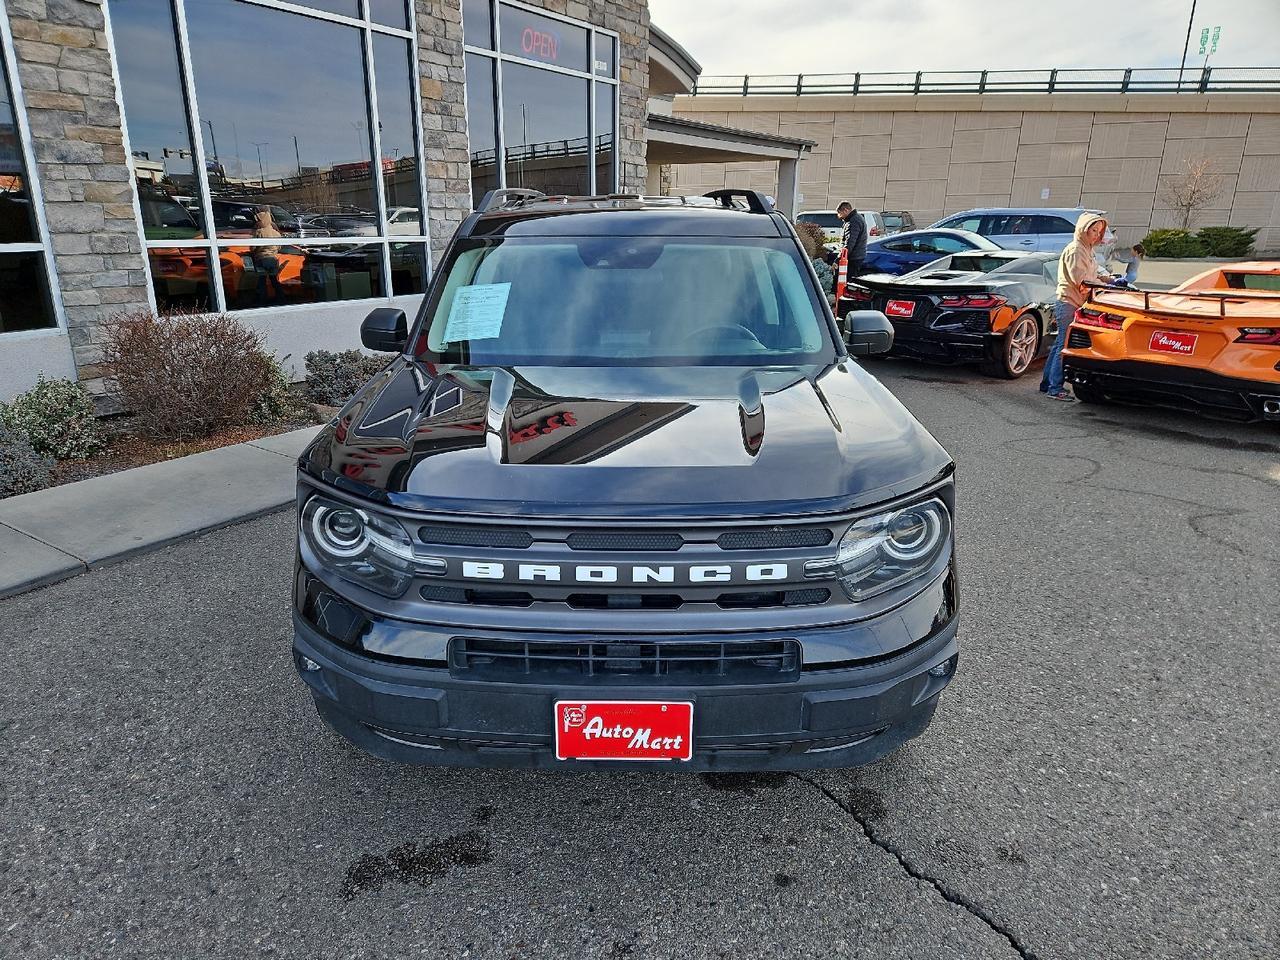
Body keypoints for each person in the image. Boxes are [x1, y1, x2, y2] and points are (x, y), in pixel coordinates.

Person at [1040, 211, 1113, 402]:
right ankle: (1055, 388)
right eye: (1093, 230)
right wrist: (1105, 285)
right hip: (1069, 303)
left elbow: (1092, 275)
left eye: (1099, 231)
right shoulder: (1076, 250)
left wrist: (1108, 279)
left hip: (1073, 302)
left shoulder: (1087, 249)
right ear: (1083, 230)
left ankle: (1047, 384)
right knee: (1064, 346)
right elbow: (1082, 280)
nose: (1097, 234)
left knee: (1058, 345)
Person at [252, 209, 284, 305]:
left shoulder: (258, 232)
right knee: (274, 280)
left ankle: (262, 301)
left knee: (261, 282)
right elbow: (280, 246)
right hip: (273, 259)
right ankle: (281, 298)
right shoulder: (276, 233)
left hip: (261, 259)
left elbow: (253, 247)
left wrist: (255, 252)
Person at [836, 201, 867, 277]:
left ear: (846, 210)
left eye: (840, 213)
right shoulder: (856, 218)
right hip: (857, 256)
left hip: (853, 258)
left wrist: (838, 260)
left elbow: (849, 243)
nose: (839, 216)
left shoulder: (853, 221)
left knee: (848, 280)